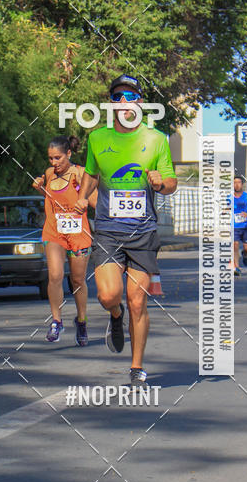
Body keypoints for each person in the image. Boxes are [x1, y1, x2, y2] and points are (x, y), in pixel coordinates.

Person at [74, 74, 177, 385]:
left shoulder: (156, 139)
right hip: (108, 230)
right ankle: (115, 315)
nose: (123, 102)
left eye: (130, 97)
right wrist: (83, 197)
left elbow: (171, 182)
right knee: (108, 295)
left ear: (140, 102)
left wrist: (160, 183)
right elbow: (92, 174)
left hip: (143, 232)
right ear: (110, 104)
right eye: (117, 97)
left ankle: (136, 367)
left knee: (137, 300)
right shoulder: (97, 138)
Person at [32, 135, 97, 345]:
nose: (54, 162)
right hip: (55, 232)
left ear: (68, 154)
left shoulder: (80, 173)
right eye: (50, 158)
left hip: (78, 234)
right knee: (55, 275)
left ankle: (81, 321)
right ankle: (56, 321)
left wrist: (83, 198)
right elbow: (51, 199)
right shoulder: (49, 174)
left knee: (77, 280)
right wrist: (41, 188)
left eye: (58, 158)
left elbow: (96, 202)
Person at [233, 176, 247, 276]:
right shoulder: (229, 197)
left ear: (242, 184)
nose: (236, 185)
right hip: (234, 226)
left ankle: (245, 254)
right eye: (234, 182)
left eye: (239, 182)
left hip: (245, 226)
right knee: (235, 245)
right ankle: (236, 267)